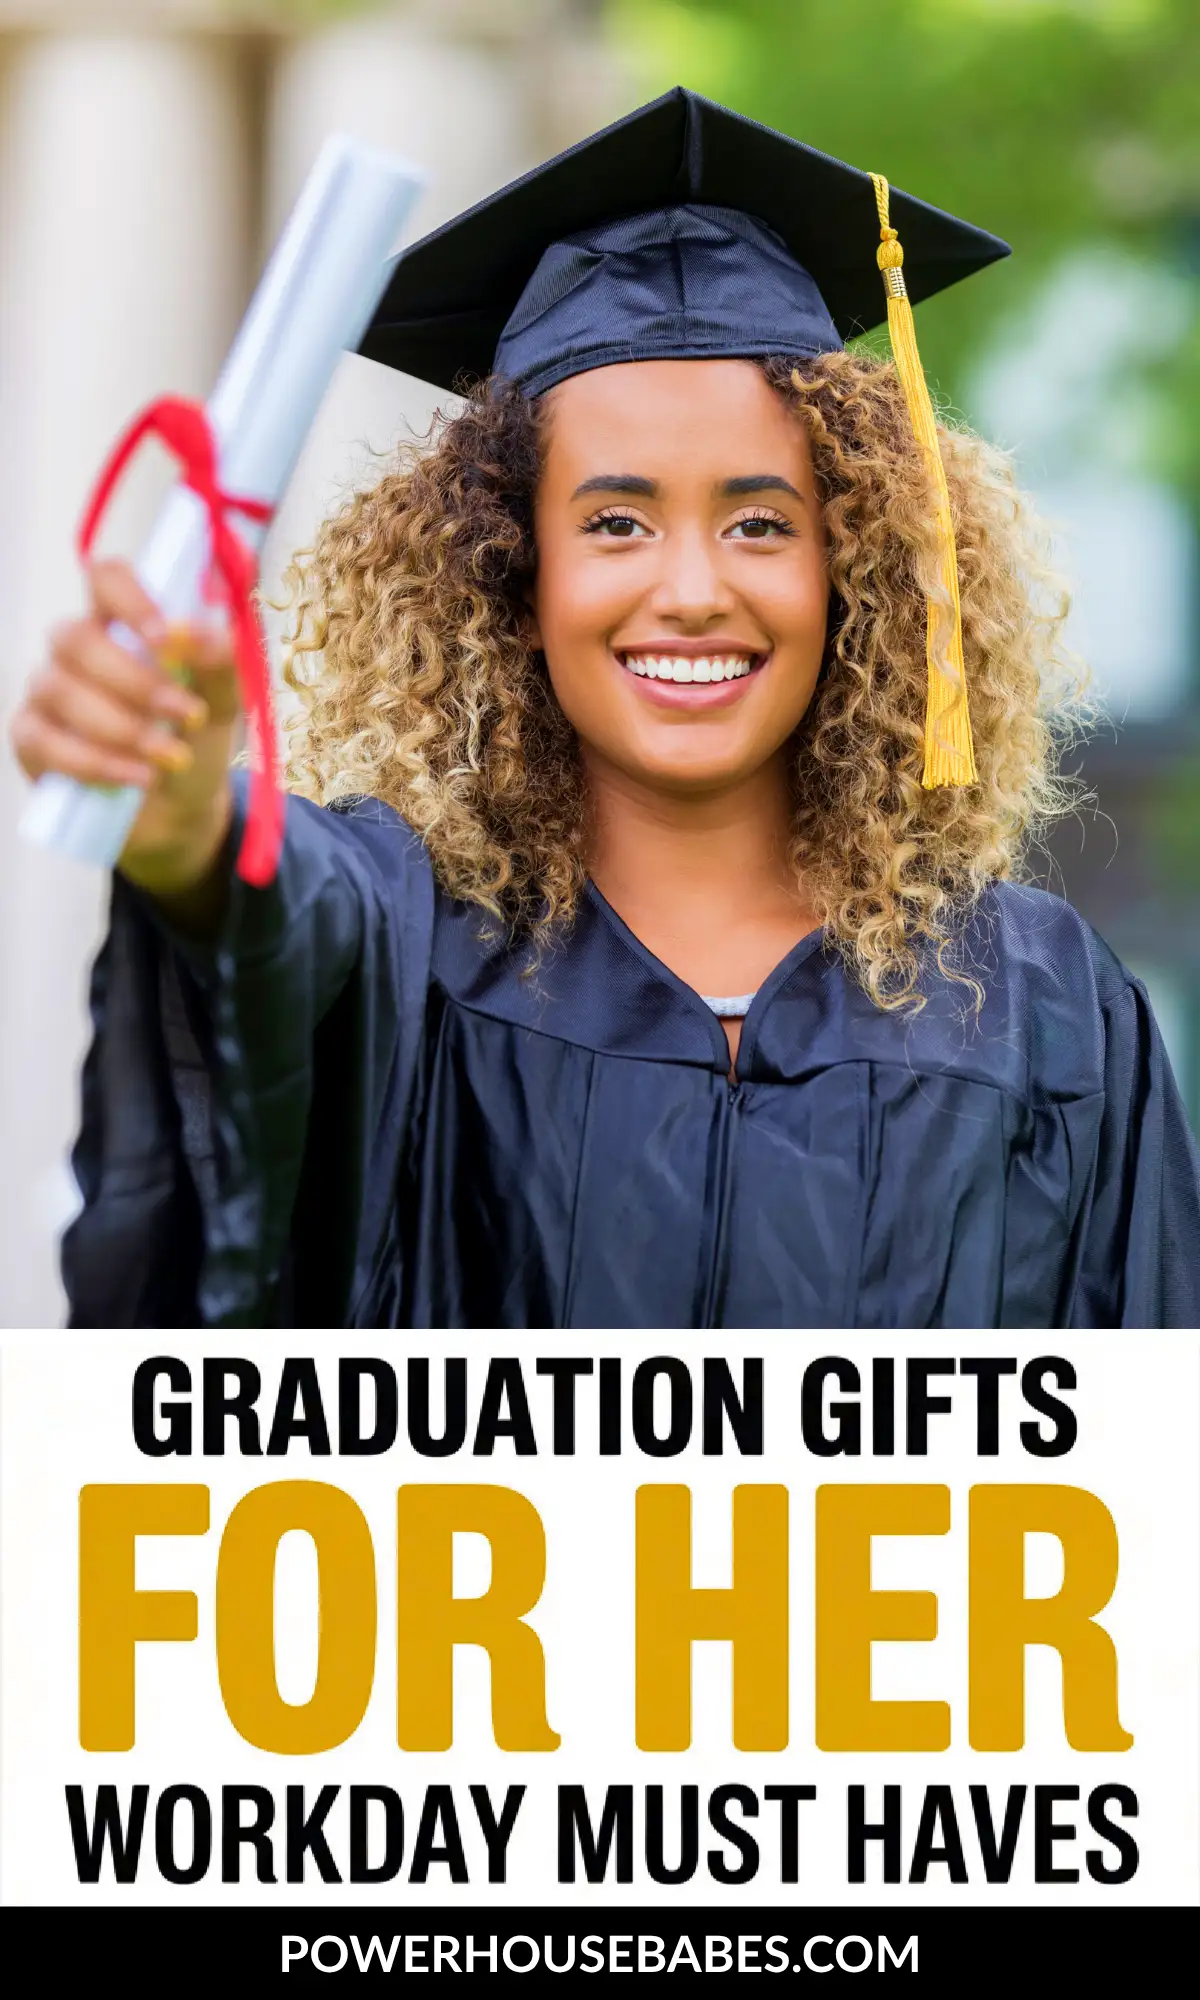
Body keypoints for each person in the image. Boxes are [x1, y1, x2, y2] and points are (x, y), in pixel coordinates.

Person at [12, 88, 1200, 1329]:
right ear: (512, 575)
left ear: (852, 568)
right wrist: (189, 817)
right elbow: (273, 922)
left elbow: (1155, 1463)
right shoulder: (405, 943)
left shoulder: (1036, 1005)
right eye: (615, 523)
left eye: (759, 524)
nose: (692, 592)